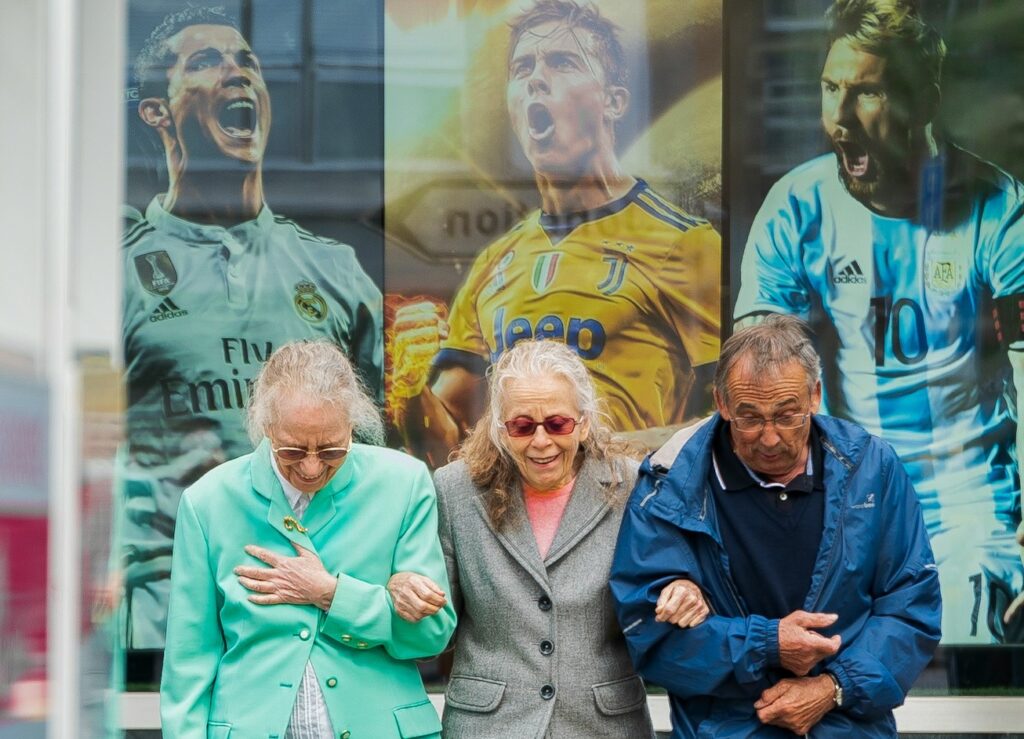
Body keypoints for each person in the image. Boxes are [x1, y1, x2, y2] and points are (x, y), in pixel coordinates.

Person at [734, 0, 1024, 642]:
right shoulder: (796, 208)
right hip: (842, 504)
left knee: (967, 667)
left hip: (971, 503)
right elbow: (756, 376)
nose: (838, 118)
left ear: (924, 98)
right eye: (831, 88)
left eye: (866, 93)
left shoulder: (996, 207)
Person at [121, 7, 383, 650]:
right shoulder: (118, 271)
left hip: (312, 599)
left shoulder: (336, 271)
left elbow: (384, 453)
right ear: (157, 110)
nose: (237, 73)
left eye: (250, 63)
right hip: (164, 603)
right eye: (206, 61)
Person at [391, 0, 721, 466]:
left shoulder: (687, 244)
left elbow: (728, 420)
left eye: (562, 63)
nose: (535, 79)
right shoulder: (494, 264)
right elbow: (444, 448)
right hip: (514, 525)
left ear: (614, 101)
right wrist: (410, 392)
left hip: (624, 519)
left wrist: (609, 452)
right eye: (522, 68)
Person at [610, 315, 942, 737]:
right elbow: (652, 637)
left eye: (787, 415)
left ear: (815, 396)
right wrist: (766, 644)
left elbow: (911, 606)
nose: (769, 438)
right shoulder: (671, 483)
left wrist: (833, 687)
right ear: (722, 403)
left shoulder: (871, 469)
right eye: (749, 417)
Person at [389, 340, 709, 737]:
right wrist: (404, 588)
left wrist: (684, 588)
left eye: (557, 424)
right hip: (489, 728)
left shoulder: (633, 487)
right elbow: (436, 632)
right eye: (522, 426)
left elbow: (666, 583)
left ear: (585, 422)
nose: (541, 441)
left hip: (603, 727)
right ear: (500, 429)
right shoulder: (456, 490)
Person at [160, 340, 454, 737]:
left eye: (331, 450)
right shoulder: (209, 503)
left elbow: (429, 635)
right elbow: (189, 664)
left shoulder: (404, 484)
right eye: (293, 451)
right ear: (264, 428)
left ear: (353, 425)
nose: (313, 468)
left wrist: (331, 593)